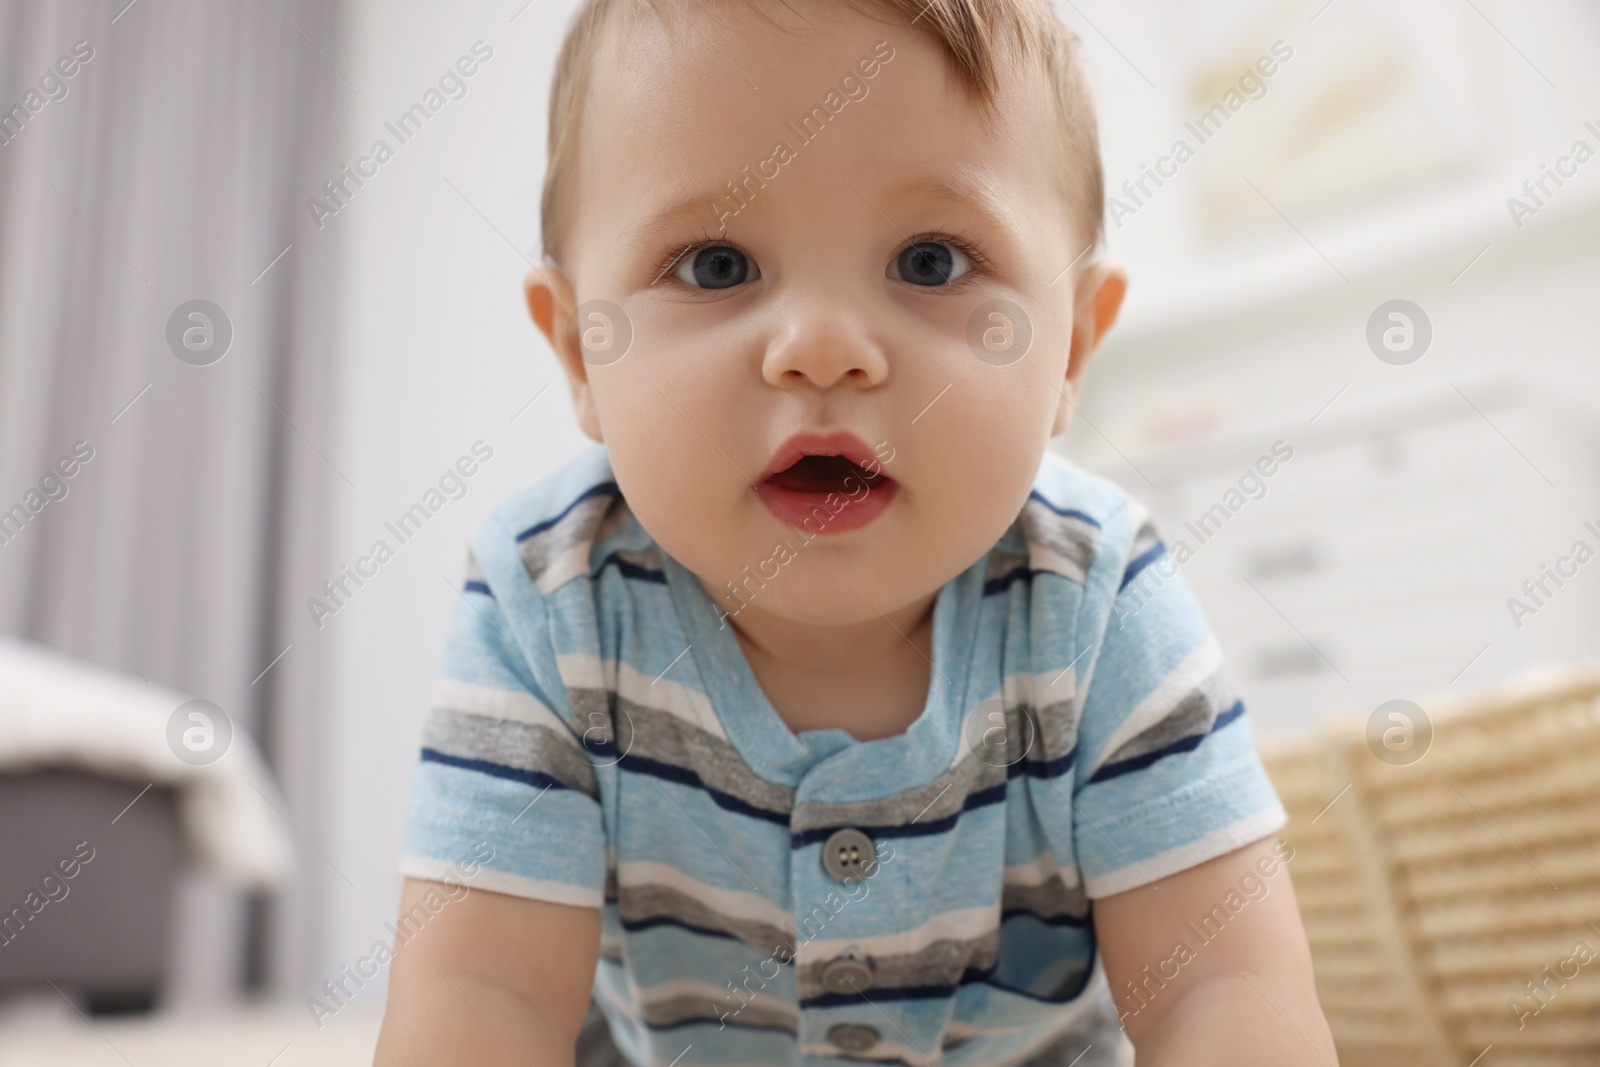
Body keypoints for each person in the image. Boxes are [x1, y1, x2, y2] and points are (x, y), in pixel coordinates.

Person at [374, 1, 1335, 1064]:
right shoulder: (548, 597)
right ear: (577, 353)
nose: (822, 347)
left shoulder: (1094, 596)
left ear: (1067, 349)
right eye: (715, 266)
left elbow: (1222, 982)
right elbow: (482, 990)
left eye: (929, 262)